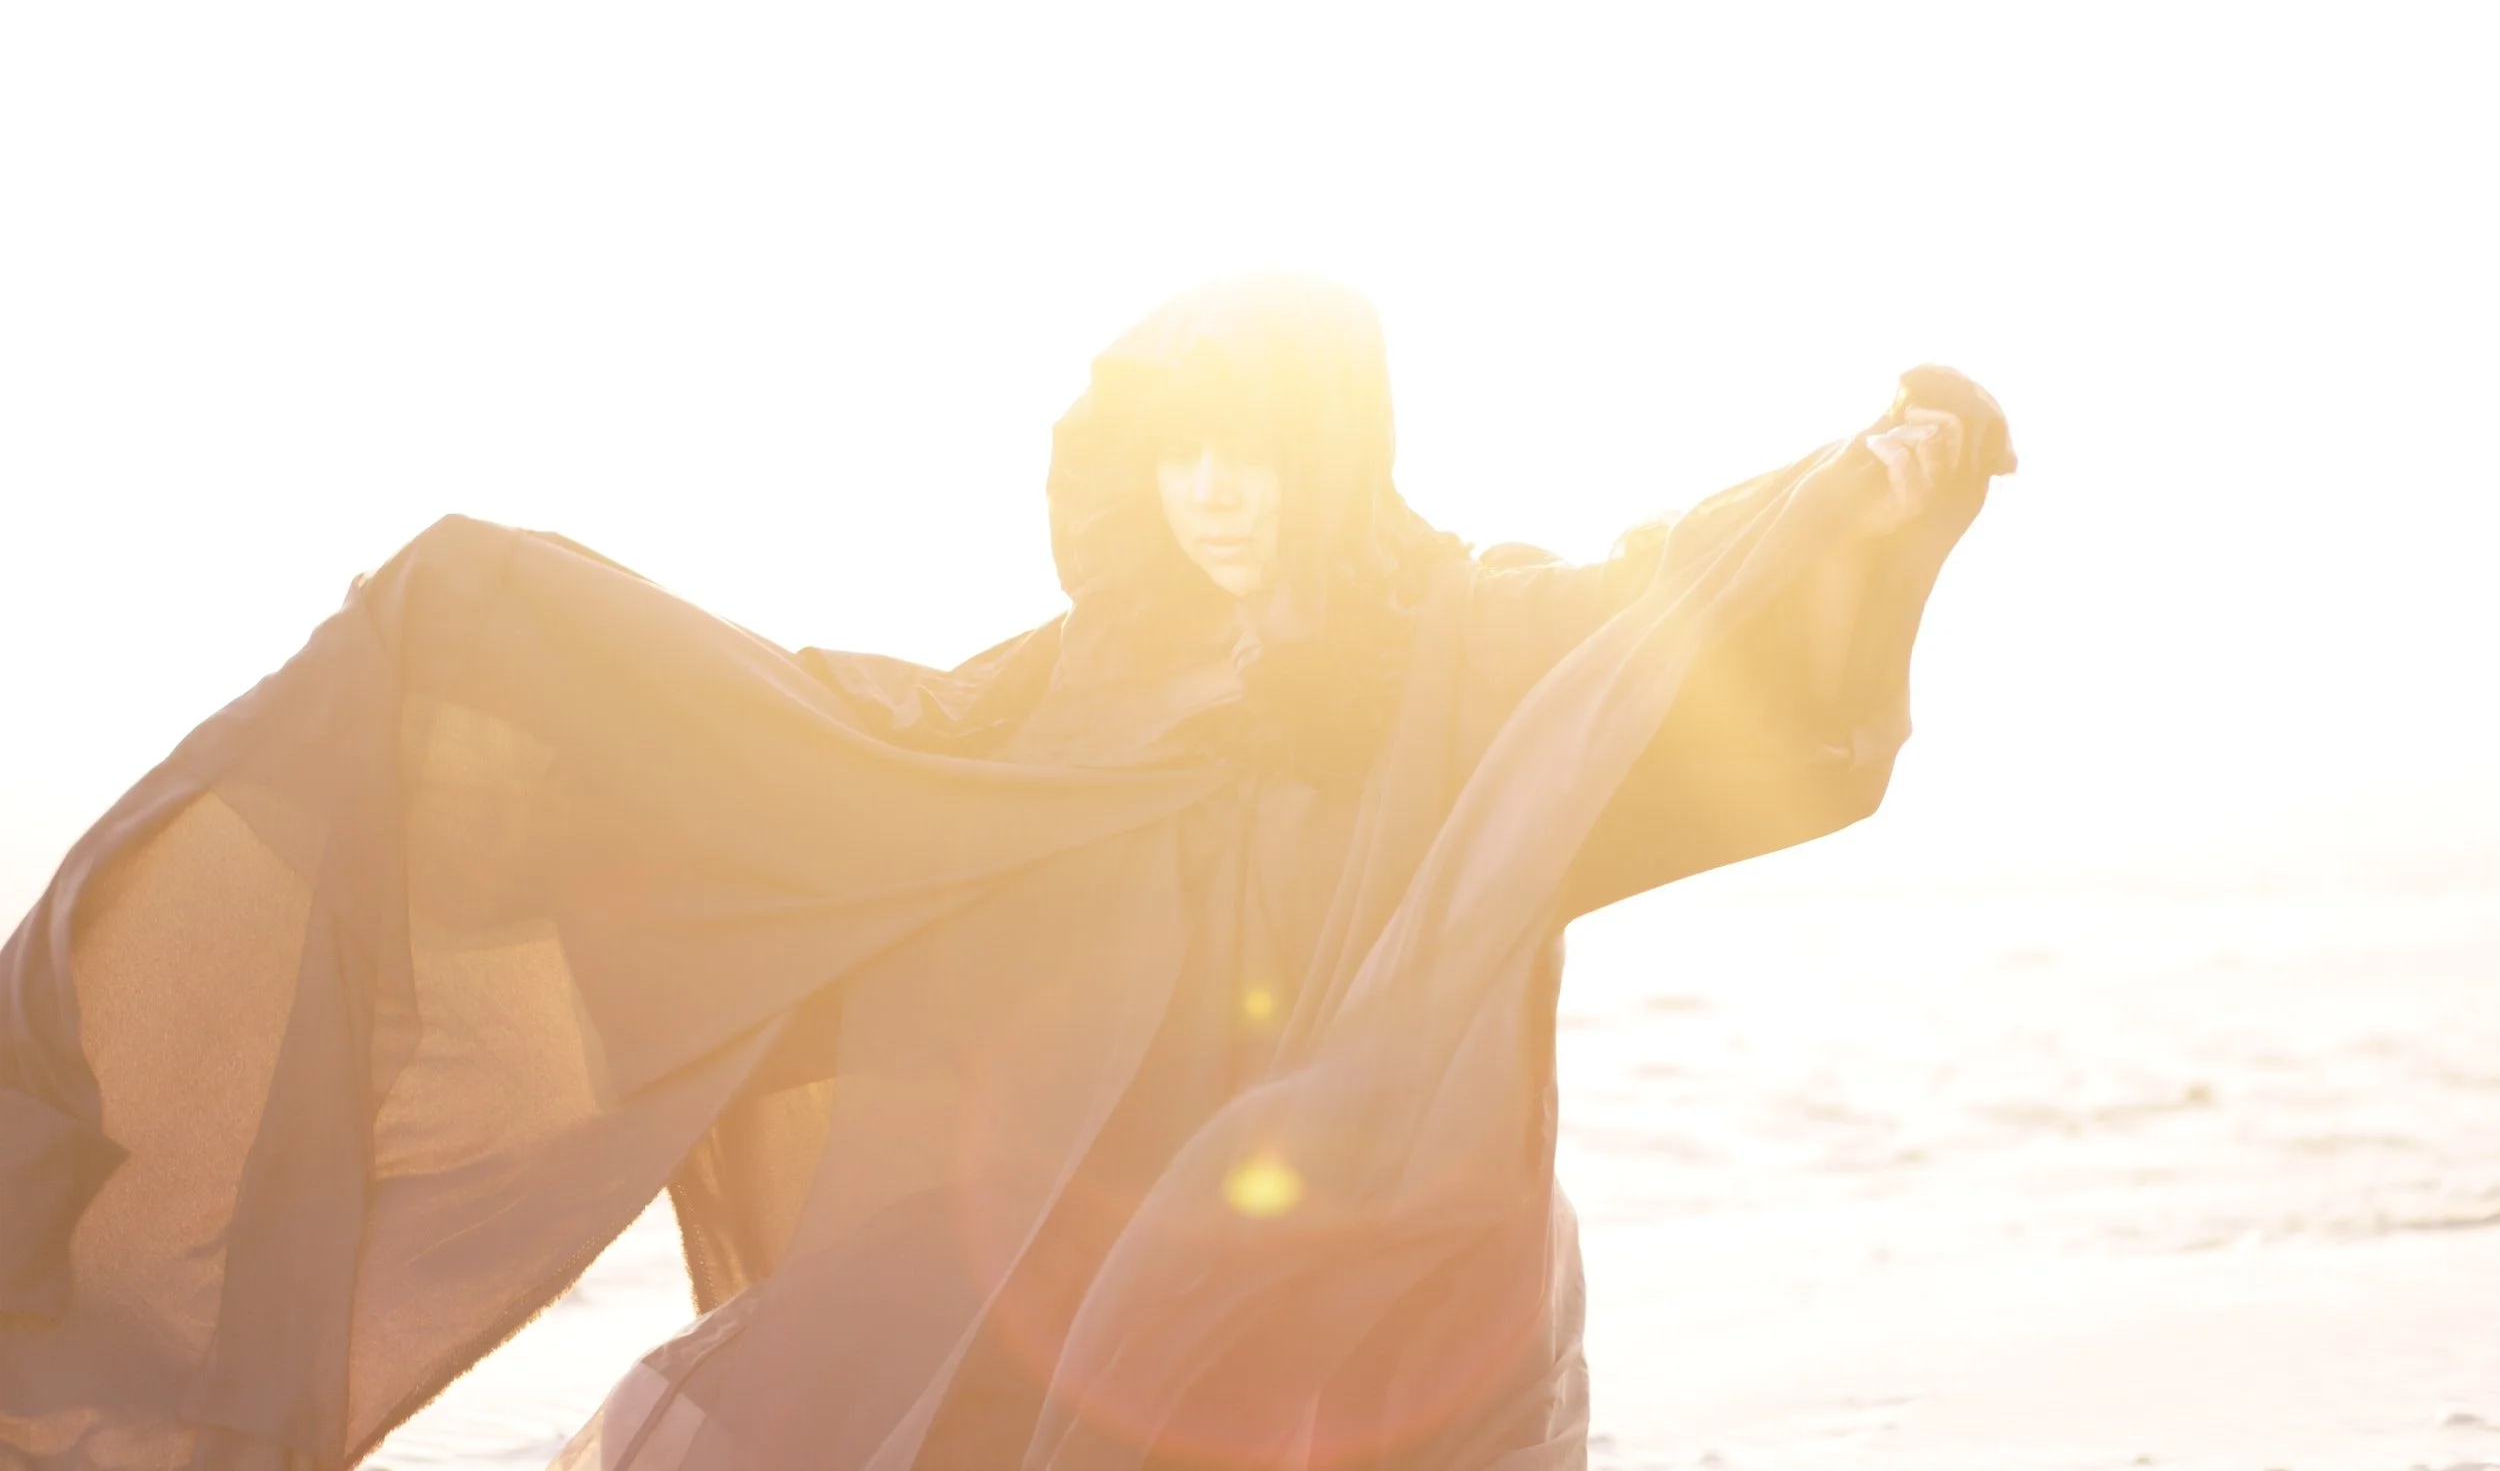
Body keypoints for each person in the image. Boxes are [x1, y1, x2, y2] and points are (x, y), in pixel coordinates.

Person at [0, 275, 2011, 1471]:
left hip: (1370, 1225)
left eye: (1254, 451)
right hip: (1091, 1234)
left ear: (1331, 448)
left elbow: (1664, 602)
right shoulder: (1081, 679)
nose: (1216, 496)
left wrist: (1869, 485)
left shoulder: (1459, 632)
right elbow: (845, 750)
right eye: (1181, 451)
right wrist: (529, 643)